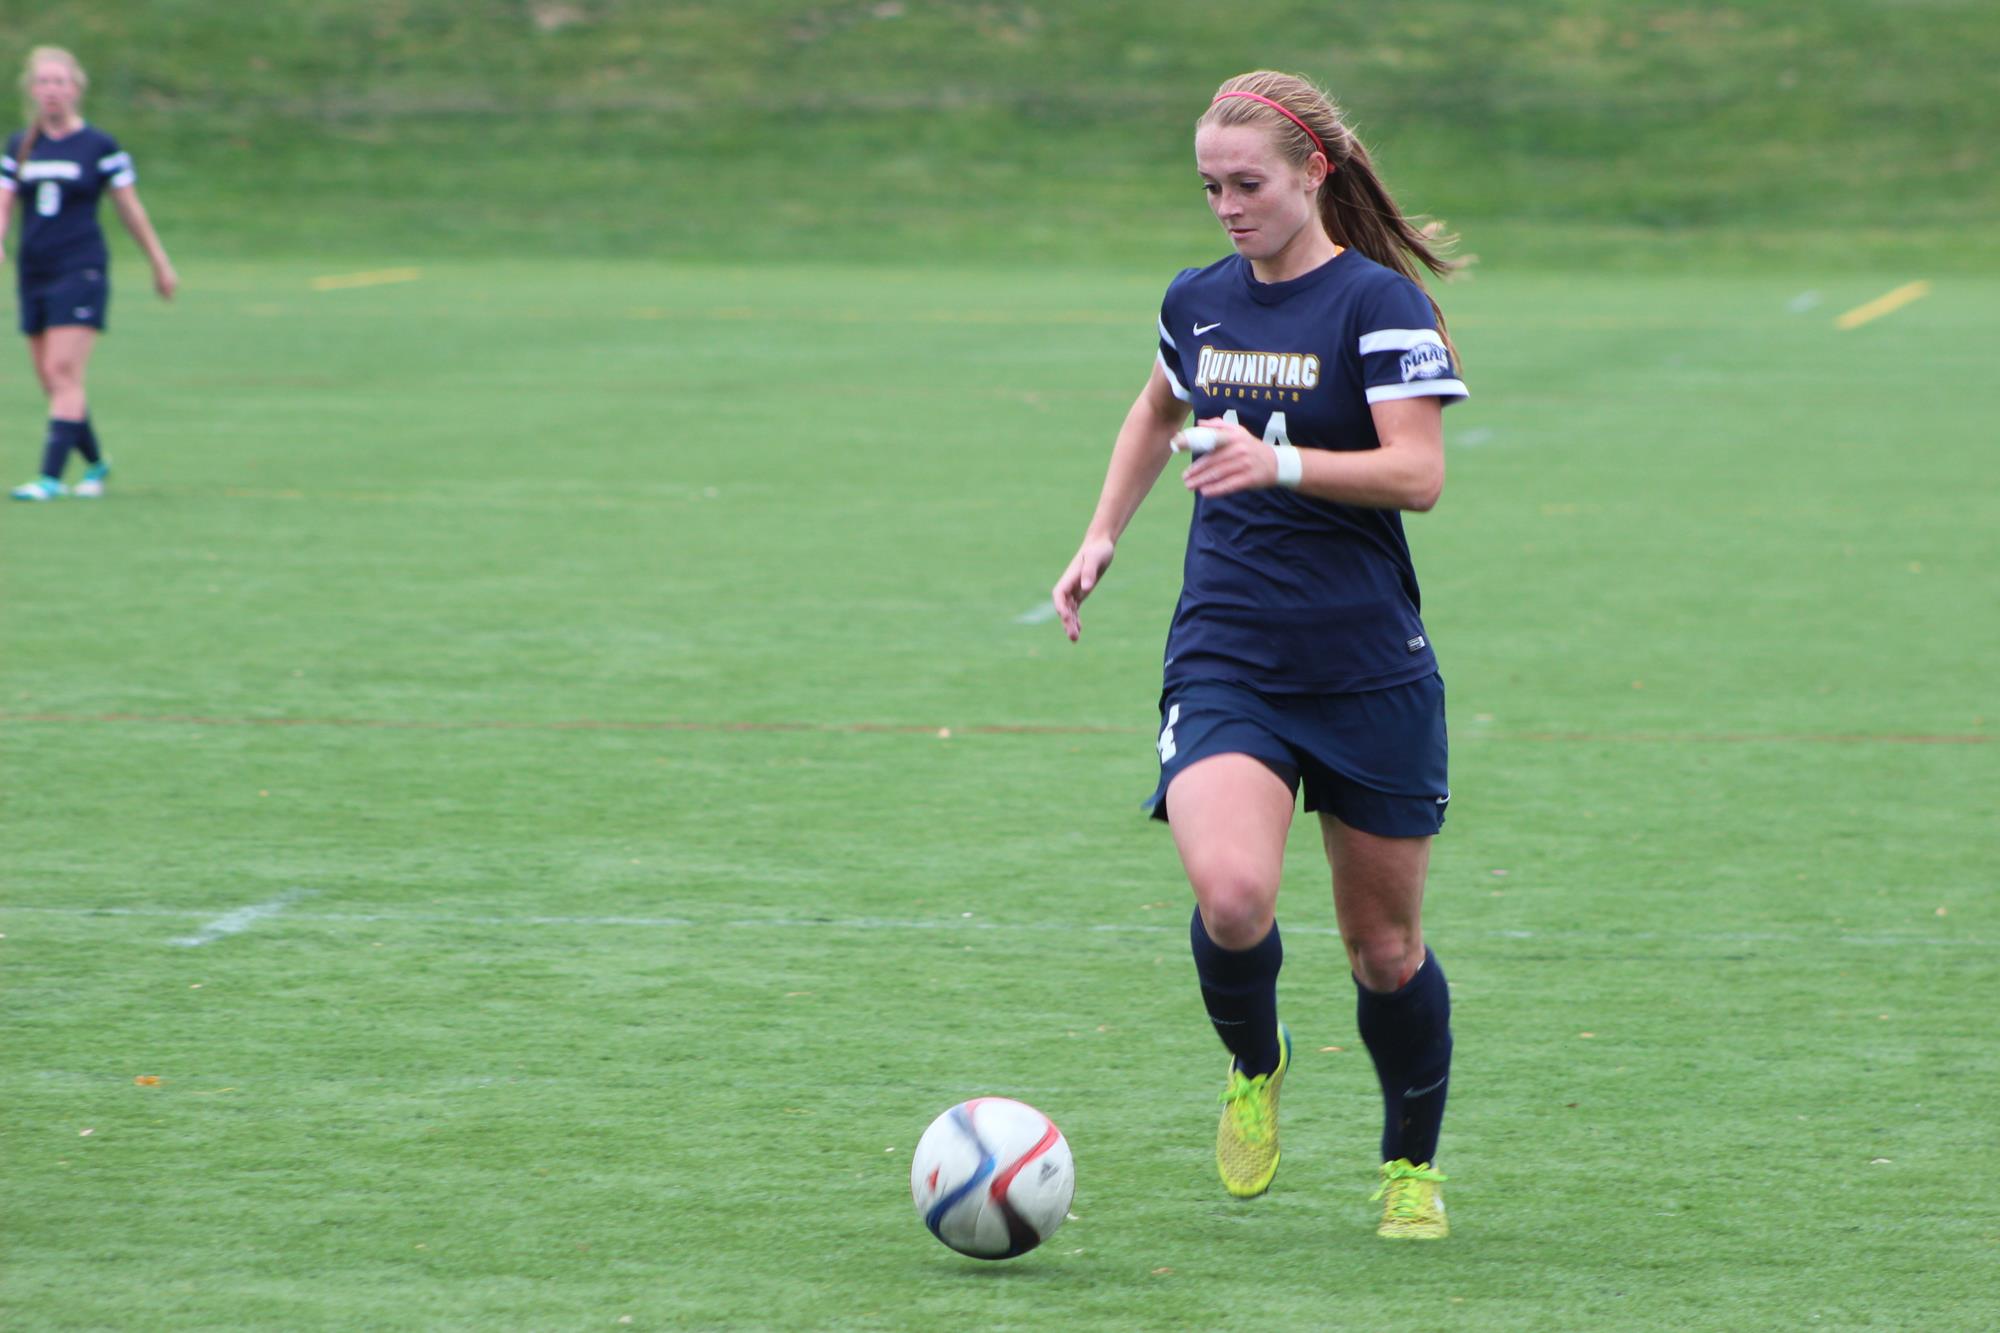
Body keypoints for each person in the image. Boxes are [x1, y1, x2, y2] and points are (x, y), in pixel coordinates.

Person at [1050, 70, 1467, 1240]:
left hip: (1367, 667)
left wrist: (1278, 464)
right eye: (1207, 187)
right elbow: (1155, 410)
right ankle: (1253, 1059)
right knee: (1231, 896)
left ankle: (1407, 1166)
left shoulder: (1376, 306)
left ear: (1311, 175)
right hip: (1226, 651)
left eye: (1246, 185)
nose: (1225, 206)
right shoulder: (1197, 301)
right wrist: (1099, 534)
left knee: (1382, 950)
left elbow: (1417, 475)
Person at [2, 45, 176, 501]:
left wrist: (159, 261)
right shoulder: (20, 145)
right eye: (43, 82)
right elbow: (3, 203)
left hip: (81, 268)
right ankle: (95, 462)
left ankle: (50, 478)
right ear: (32, 90)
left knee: (63, 370)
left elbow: (129, 209)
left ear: (76, 89)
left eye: (60, 81)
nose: (51, 90)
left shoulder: (99, 146)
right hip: (33, 271)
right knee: (52, 380)